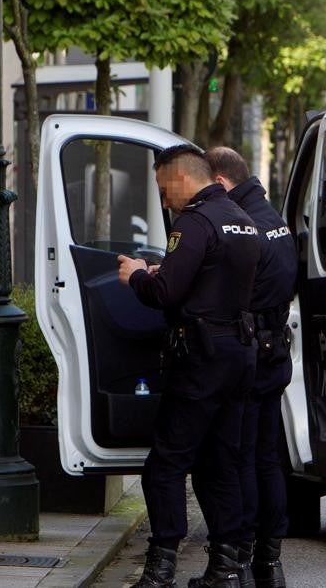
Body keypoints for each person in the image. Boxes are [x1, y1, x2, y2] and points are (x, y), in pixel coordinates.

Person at [117, 145, 259, 588]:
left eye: (164, 190)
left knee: (166, 463)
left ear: (180, 179)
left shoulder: (194, 223)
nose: (164, 201)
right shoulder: (244, 221)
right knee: (221, 462)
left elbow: (166, 295)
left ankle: (160, 570)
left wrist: (138, 276)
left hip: (199, 358)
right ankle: (226, 567)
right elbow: (218, 280)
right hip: (238, 352)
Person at [204, 147, 297, 588]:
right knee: (267, 458)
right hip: (274, 347)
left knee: (238, 457)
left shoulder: (241, 224)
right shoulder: (272, 217)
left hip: (248, 349)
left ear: (220, 182)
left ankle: (237, 558)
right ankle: (270, 561)